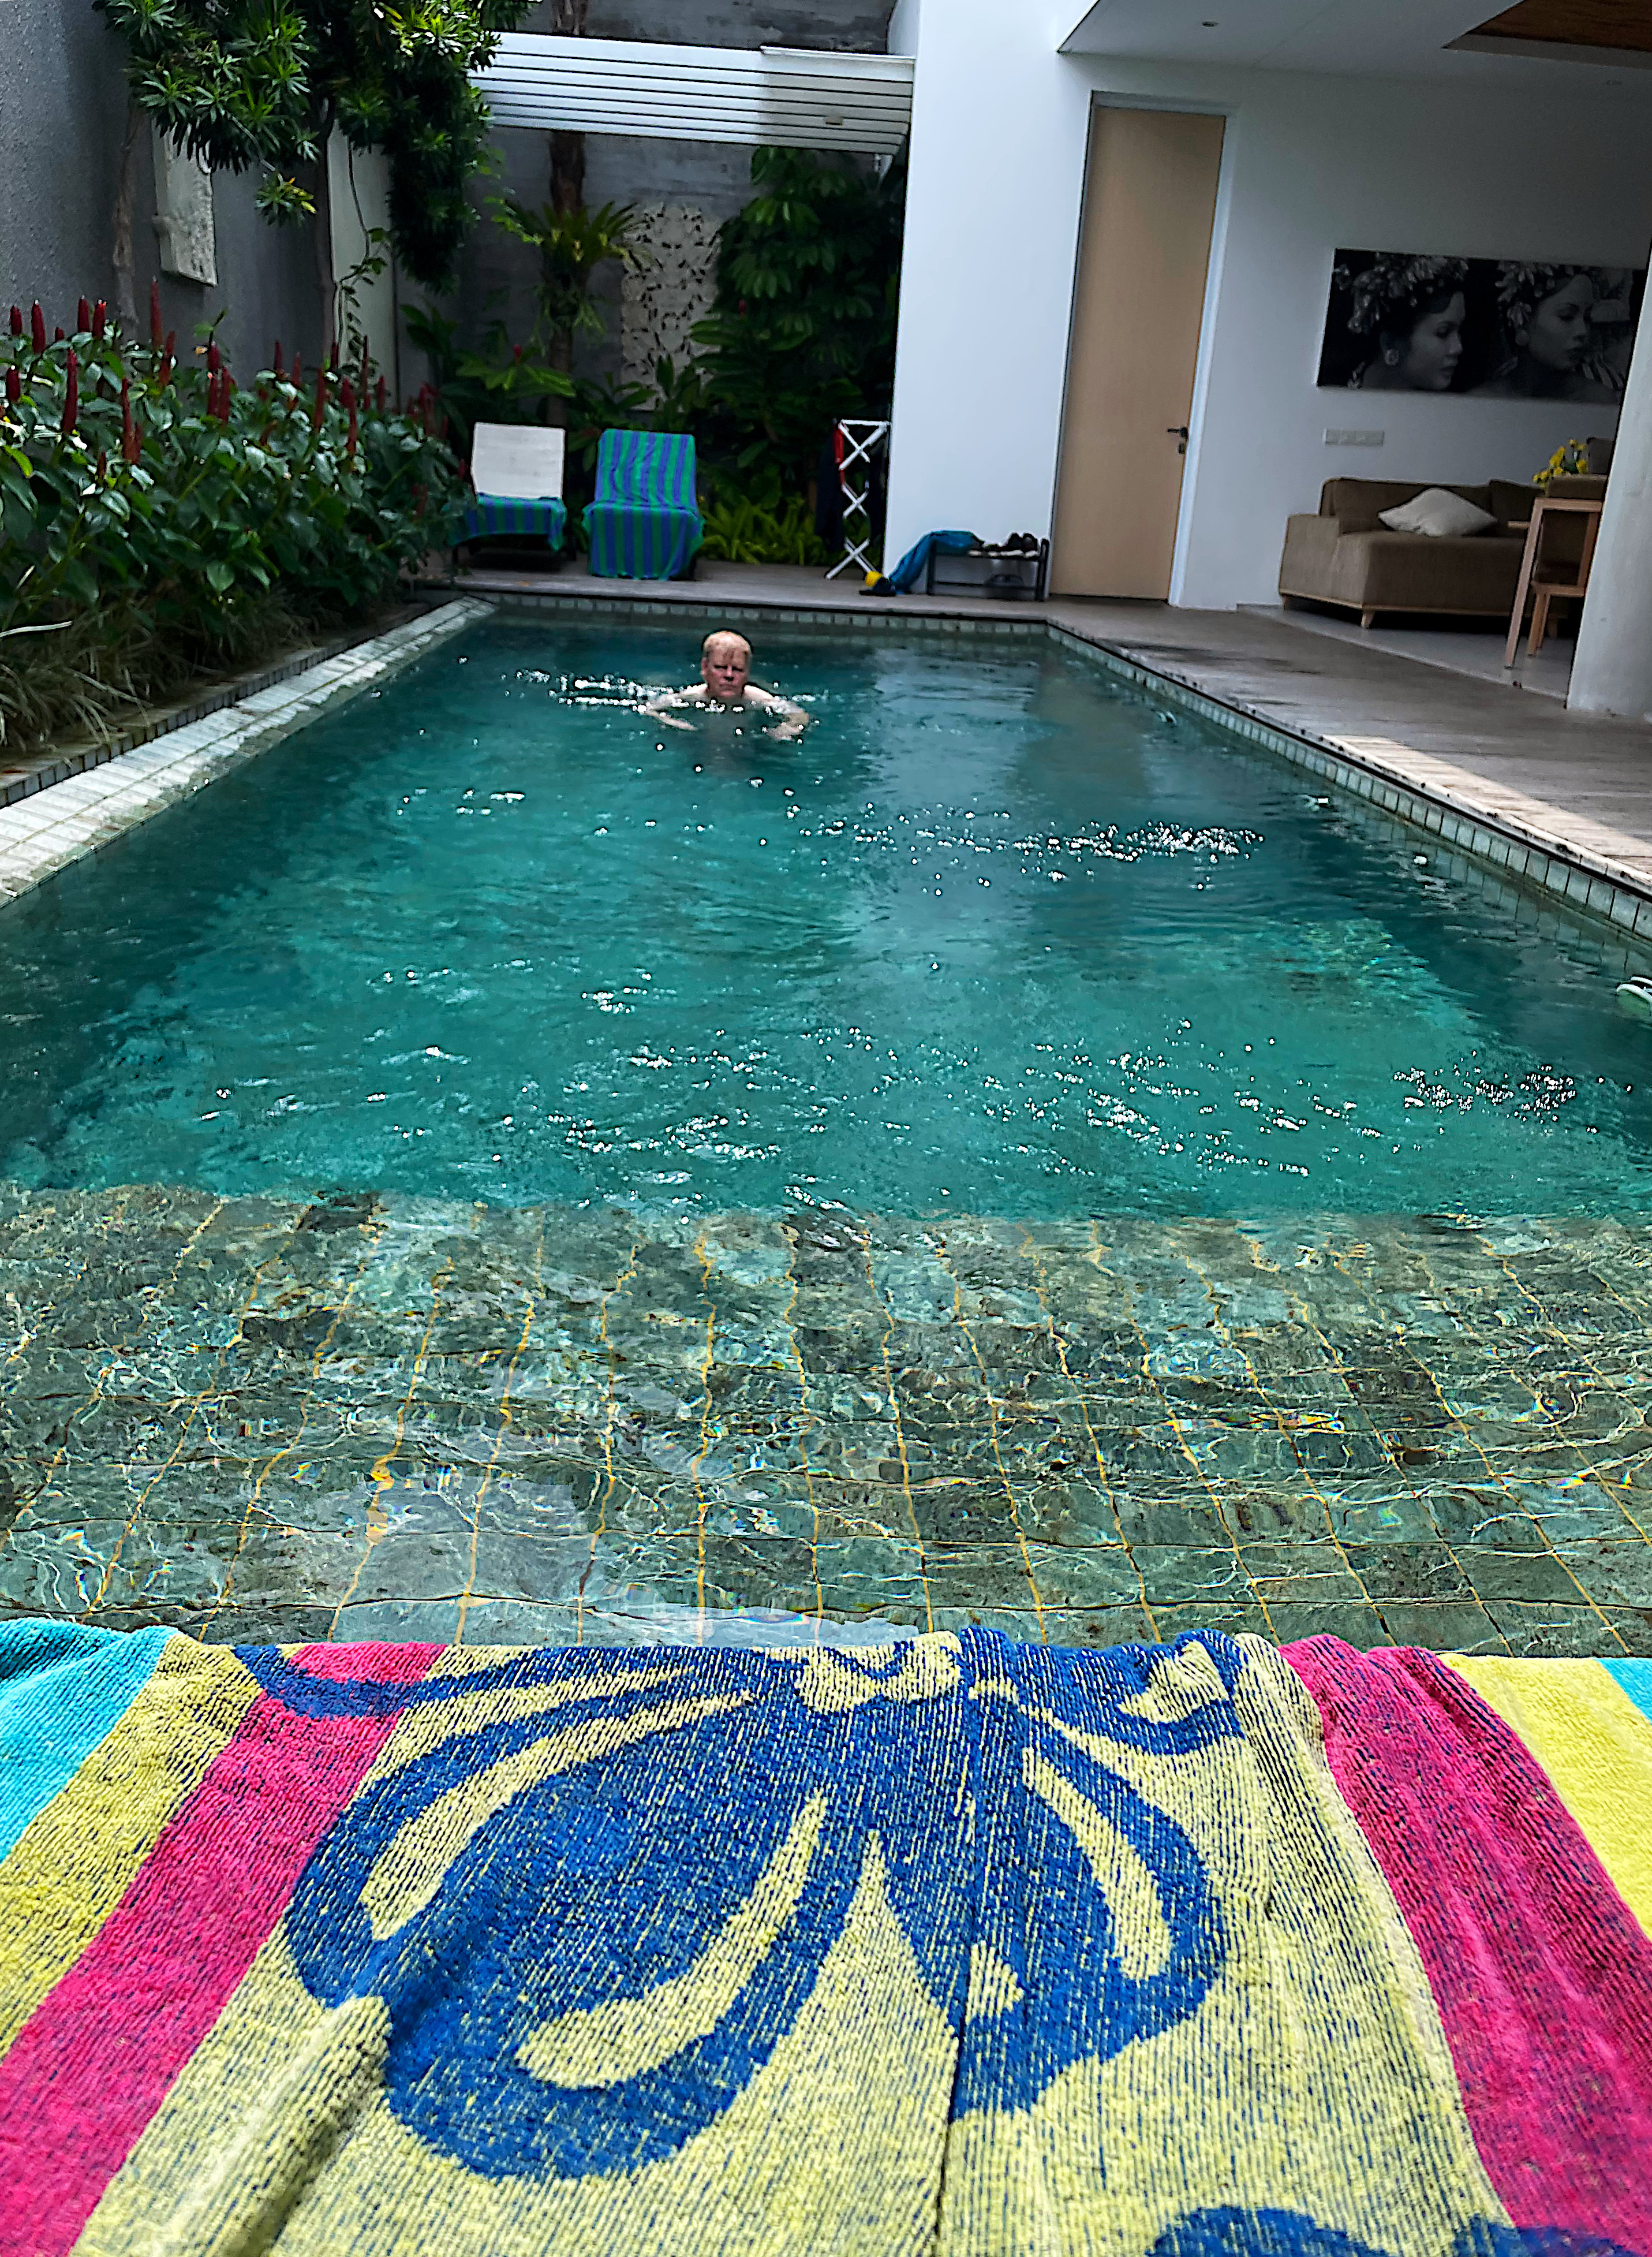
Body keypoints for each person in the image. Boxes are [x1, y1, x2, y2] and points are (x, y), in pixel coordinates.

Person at [1472, 264, 1615, 401]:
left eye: (1587, 318)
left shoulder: (1599, 401)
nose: (1583, 331)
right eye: (1567, 316)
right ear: (1521, 323)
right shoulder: (1481, 402)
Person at [1335, 253, 1470, 392]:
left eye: (1460, 331)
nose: (1458, 348)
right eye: (1443, 333)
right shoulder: (1333, 388)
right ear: (1390, 344)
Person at [644, 630, 810, 741]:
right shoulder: (691, 696)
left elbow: (800, 716)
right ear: (705, 668)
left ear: (747, 673)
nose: (729, 675)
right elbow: (650, 709)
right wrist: (675, 724)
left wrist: (785, 730)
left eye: (737, 669)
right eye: (720, 668)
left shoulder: (759, 698)